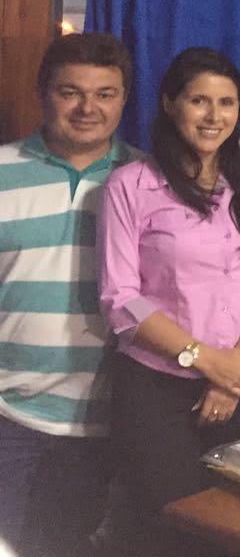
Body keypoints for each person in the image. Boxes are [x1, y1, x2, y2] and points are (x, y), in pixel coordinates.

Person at [98, 48, 240, 556]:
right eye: (198, 101)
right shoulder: (131, 185)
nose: (213, 116)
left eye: (226, 103)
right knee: (167, 525)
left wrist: (234, 371)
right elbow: (121, 298)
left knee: (238, 525)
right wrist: (205, 360)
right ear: (169, 103)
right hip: (157, 387)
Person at [0, 33, 139, 557]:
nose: (88, 108)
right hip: (9, 414)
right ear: (43, 93)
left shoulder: (149, 181)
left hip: (113, 417)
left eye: (105, 94)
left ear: (124, 100)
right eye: (70, 92)